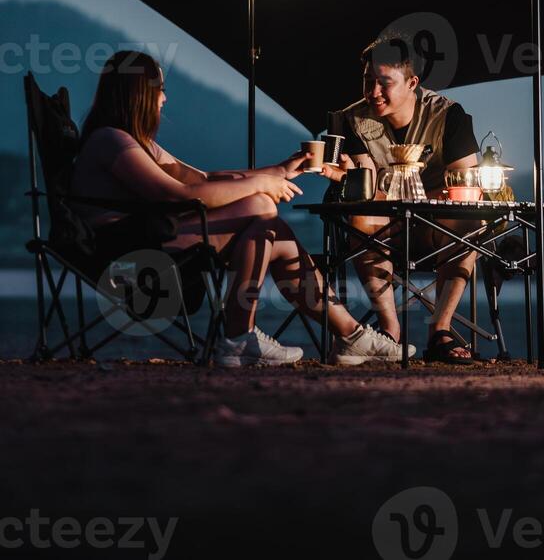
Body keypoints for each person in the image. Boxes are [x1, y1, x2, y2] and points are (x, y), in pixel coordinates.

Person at [71, 50, 406, 367]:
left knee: (274, 234)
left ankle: (348, 335)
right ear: (138, 92)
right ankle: (239, 336)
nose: (164, 97)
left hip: (153, 238)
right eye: (160, 88)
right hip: (128, 255)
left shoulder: (136, 143)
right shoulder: (111, 141)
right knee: (260, 206)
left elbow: (203, 178)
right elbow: (178, 194)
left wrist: (281, 170)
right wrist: (261, 187)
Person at [322, 34, 481, 364]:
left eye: (384, 83)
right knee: (362, 218)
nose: (373, 92)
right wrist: (345, 176)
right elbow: (364, 190)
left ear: (412, 82)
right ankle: (389, 330)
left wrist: (413, 197)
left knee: (469, 220)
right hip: (387, 229)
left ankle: (440, 329)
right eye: (368, 82)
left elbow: (467, 186)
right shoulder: (353, 121)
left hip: (438, 230)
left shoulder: (448, 116)